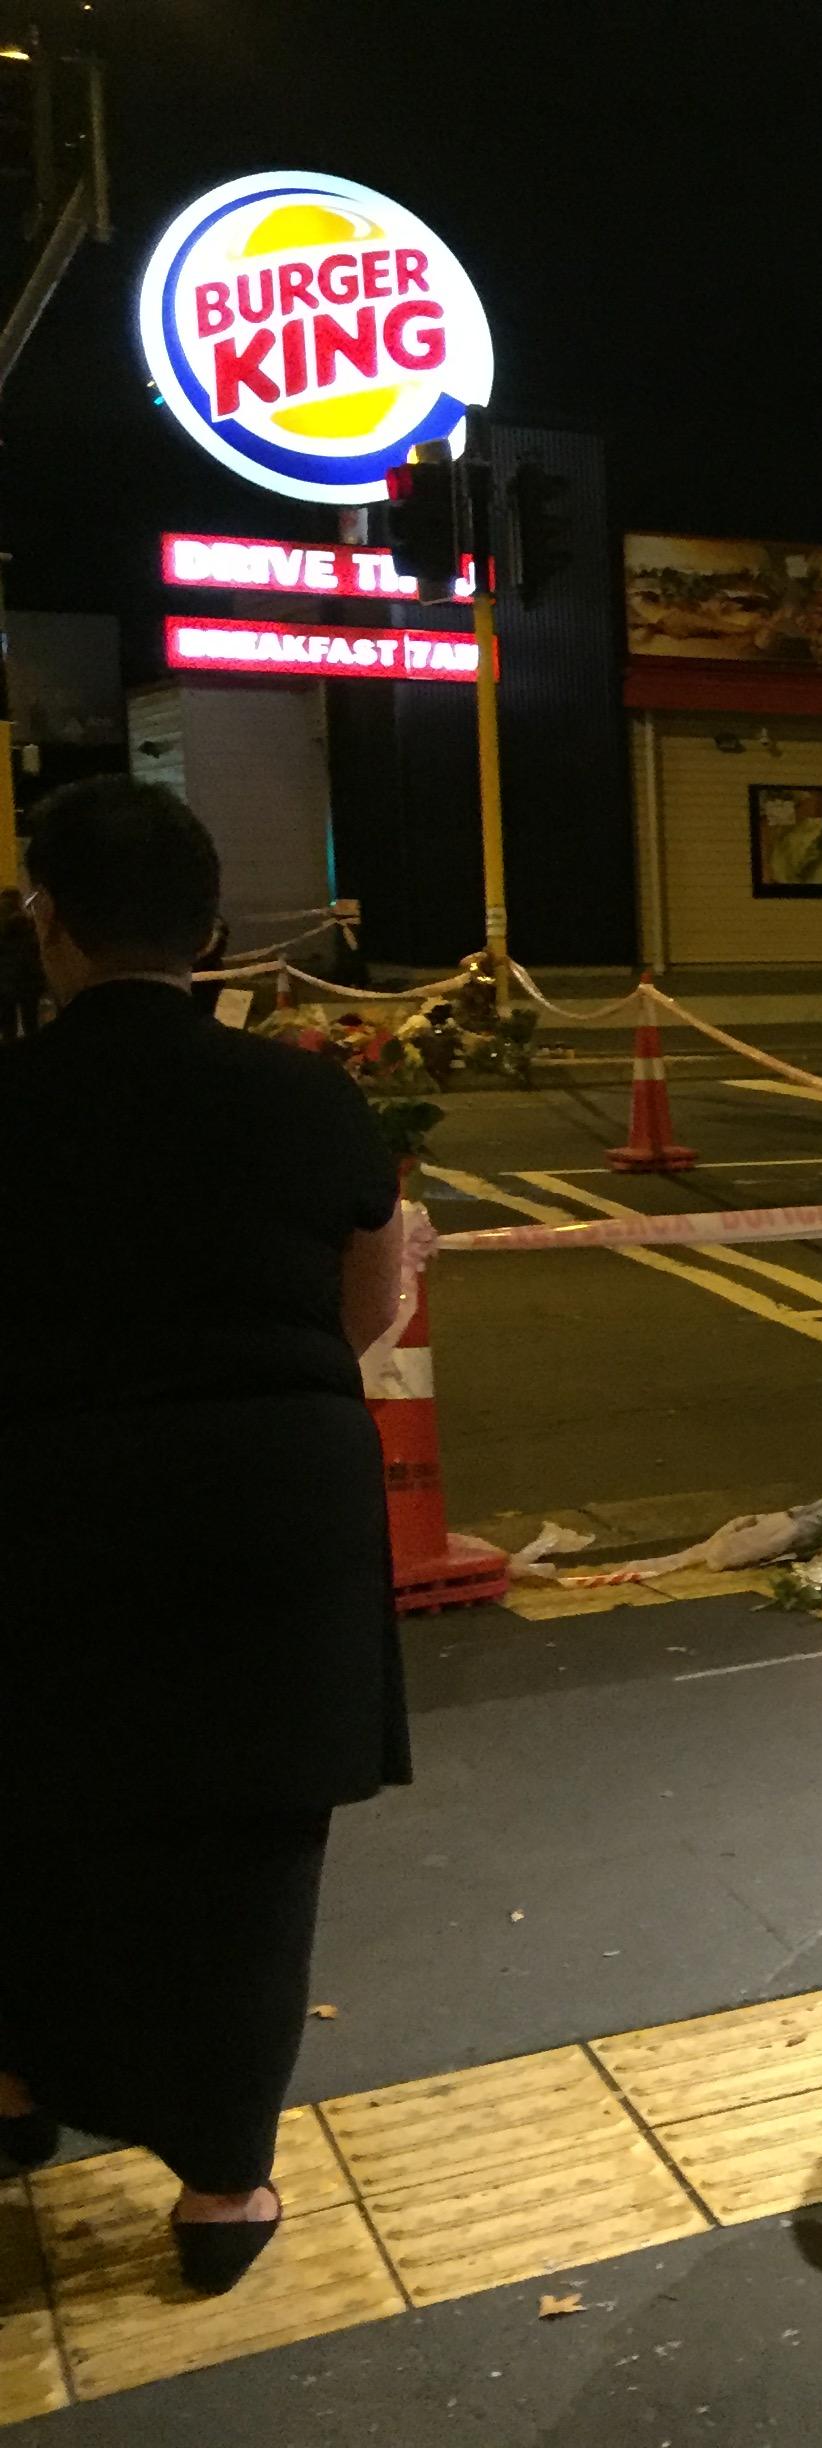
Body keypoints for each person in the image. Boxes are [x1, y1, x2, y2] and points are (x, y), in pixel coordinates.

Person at [0, 779, 410, 2297]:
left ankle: (20, 2084)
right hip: (270, 1503)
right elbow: (368, 1308)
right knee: (251, 1844)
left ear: (49, 923)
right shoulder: (302, 1095)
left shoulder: (12, 1100)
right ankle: (225, 2183)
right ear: (220, 936)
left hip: (41, 1497)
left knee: (35, 1803)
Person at [0, 887, 41, 1038]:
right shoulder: (29, 923)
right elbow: (37, 950)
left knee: (8, 1028)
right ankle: (33, 1056)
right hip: (28, 980)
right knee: (31, 1024)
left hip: (4, 983)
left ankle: (9, 1058)